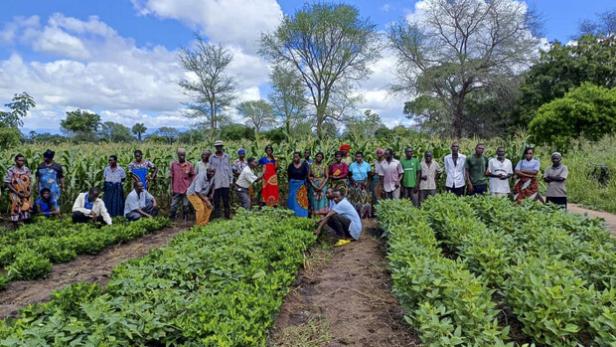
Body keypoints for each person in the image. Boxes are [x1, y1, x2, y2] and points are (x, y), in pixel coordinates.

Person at [4, 154, 32, 226]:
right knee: (15, 208)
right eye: (20, 160)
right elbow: (7, 183)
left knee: (26, 208)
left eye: (23, 160)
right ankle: (15, 226)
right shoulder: (11, 170)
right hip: (15, 193)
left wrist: (30, 192)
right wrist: (17, 192)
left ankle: (26, 226)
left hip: (26, 193)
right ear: (16, 161)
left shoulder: (26, 170)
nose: (22, 162)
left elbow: (30, 181)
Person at [209, 140, 233, 218]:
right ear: (215, 147)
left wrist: (231, 180)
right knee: (216, 201)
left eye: (220, 146)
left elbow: (229, 169)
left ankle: (227, 216)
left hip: (225, 182)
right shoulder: (212, 157)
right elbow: (209, 169)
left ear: (222, 147)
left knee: (226, 200)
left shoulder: (227, 156)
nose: (219, 147)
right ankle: (217, 217)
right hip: (216, 183)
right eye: (217, 146)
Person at [169, 148, 195, 220]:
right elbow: (171, 177)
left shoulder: (189, 165)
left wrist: (191, 187)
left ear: (185, 155)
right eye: (180, 155)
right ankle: (171, 221)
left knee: (186, 206)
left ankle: (185, 221)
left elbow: (193, 176)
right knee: (173, 206)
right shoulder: (174, 164)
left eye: (183, 155)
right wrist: (171, 188)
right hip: (176, 189)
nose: (182, 157)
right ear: (178, 155)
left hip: (186, 189)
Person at [348, 151, 372, 218]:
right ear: (355, 157)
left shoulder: (367, 165)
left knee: (364, 199)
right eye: (357, 156)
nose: (358, 158)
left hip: (364, 183)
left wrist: (367, 183)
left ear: (362, 157)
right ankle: (356, 214)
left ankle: (363, 214)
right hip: (354, 183)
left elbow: (369, 175)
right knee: (355, 199)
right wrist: (353, 182)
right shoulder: (352, 165)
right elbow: (349, 175)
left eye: (360, 156)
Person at [287, 152, 310, 217]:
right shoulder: (290, 166)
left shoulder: (304, 165)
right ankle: (292, 215)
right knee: (292, 200)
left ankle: (302, 215)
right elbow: (289, 176)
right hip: (293, 185)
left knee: (301, 200)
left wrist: (306, 185)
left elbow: (306, 176)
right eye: (294, 157)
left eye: (297, 156)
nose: (295, 158)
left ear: (300, 157)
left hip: (301, 185)